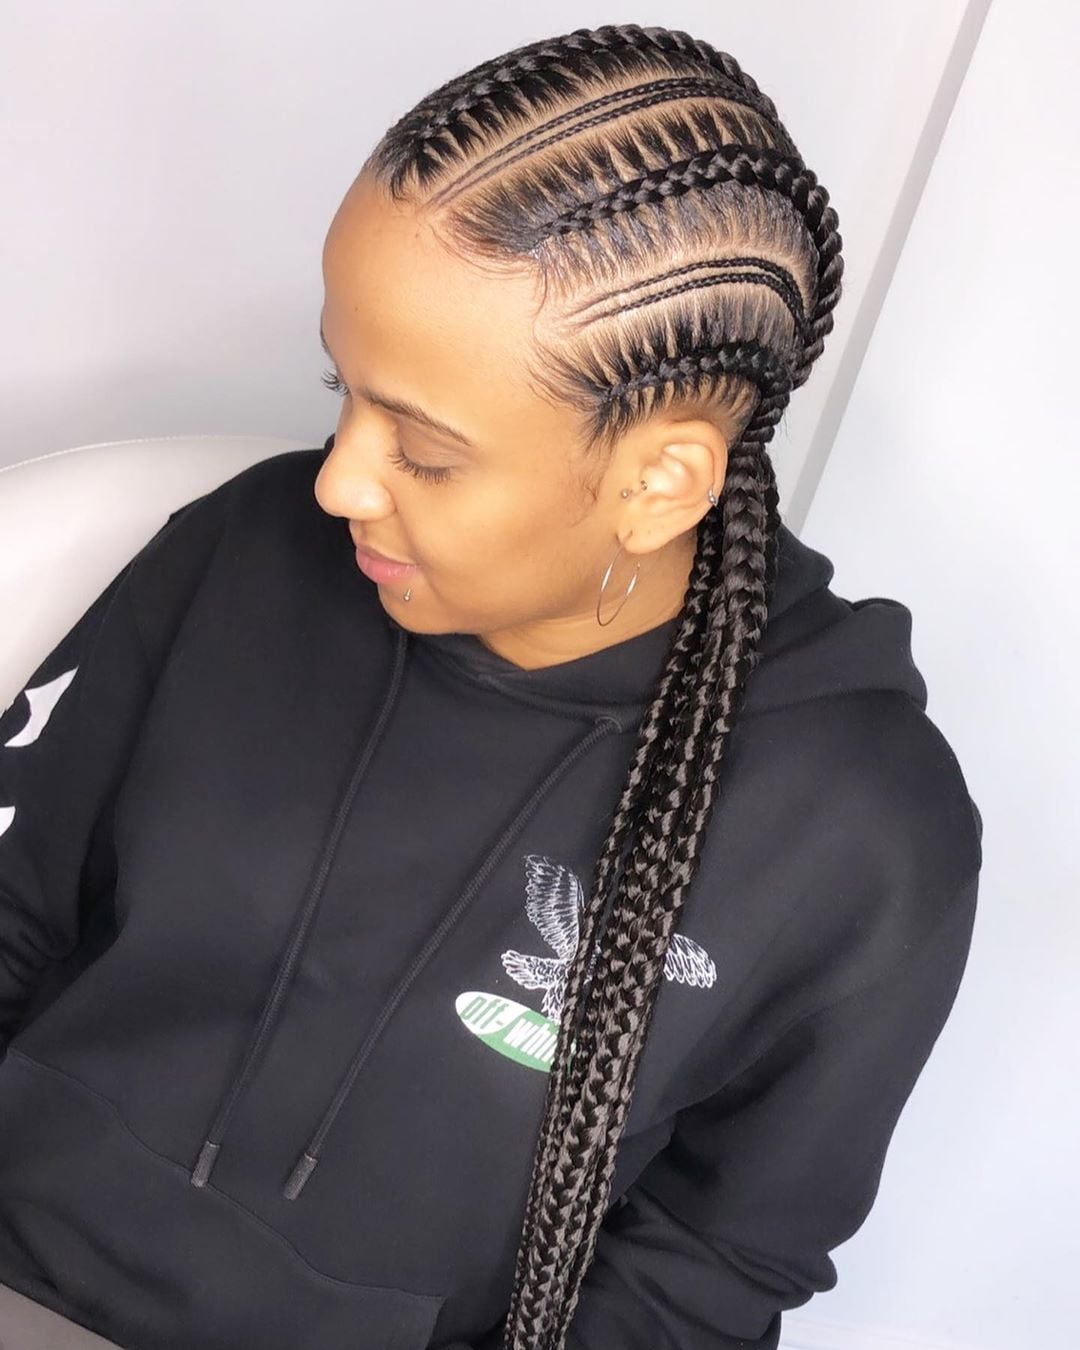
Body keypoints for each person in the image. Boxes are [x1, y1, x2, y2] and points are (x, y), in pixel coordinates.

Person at [0, 21, 983, 1350]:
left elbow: (708, 1268)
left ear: (660, 482)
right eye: (341, 389)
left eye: (424, 449)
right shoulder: (245, 552)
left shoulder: (856, 832)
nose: (338, 480)